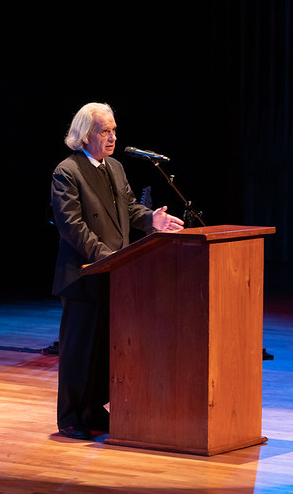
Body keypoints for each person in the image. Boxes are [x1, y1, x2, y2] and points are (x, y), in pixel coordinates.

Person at [50, 102, 184, 440]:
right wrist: (107, 258)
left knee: (104, 351)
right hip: (84, 276)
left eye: (113, 130)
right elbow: (72, 226)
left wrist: (151, 219)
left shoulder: (116, 168)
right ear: (85, 134)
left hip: (115, 274)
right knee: (79, 352)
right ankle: (71, 418)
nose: (112, 137)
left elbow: (129, 208)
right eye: (105, 131)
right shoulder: (67, 171)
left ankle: (94, 410)